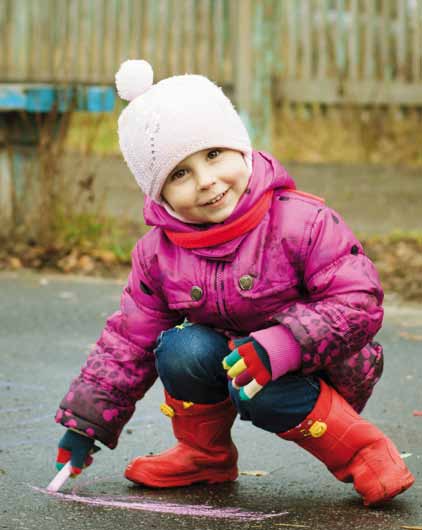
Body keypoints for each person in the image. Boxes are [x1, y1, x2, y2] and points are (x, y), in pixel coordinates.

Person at [54, 59, 414, 507]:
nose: (207, 181)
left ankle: (365, 451)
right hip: (235, 361)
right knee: (179, 348)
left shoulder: (302, 221)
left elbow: (358, 301)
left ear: (240, 148)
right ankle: (204, 455)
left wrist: (283, 344)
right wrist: (86, 424)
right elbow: (128, 342)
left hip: (324, 364)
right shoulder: (158, 253)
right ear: (157, 192)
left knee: (259, 389)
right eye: (179, 174)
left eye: (213, 155)